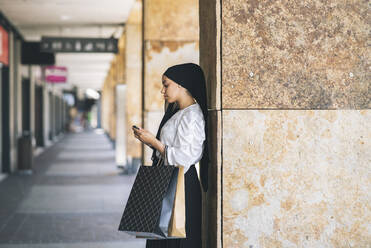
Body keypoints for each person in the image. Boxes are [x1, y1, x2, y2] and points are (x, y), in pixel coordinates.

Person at [132, 63, 209, 248]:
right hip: (168, 181)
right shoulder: (179, 112)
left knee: (176, 240)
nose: (162, 90)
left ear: (181, 85)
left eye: (166, 84)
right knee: (163, 238)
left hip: (181, 184)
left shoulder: (192, 116)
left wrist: (154, 143)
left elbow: (187, 157)